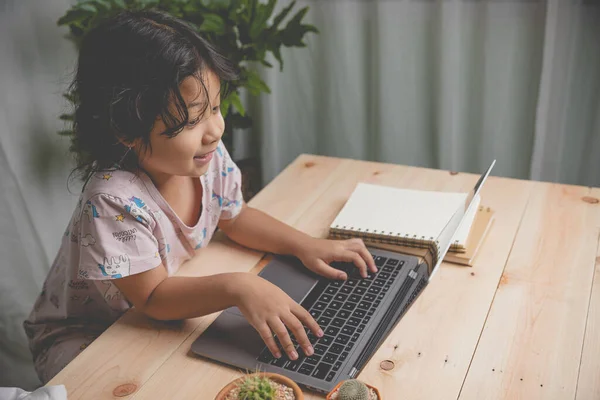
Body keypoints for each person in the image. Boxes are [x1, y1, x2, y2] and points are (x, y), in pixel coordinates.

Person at [23, 9, 376, 384]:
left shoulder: (206, 158)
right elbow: (155, 298)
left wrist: (305, 245)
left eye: (216, 107)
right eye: (192, 121)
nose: (214, 130)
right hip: (87, 336)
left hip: (155, 314)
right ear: (125, 130)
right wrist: (239, 286)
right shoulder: (112, 200)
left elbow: (235, 217)